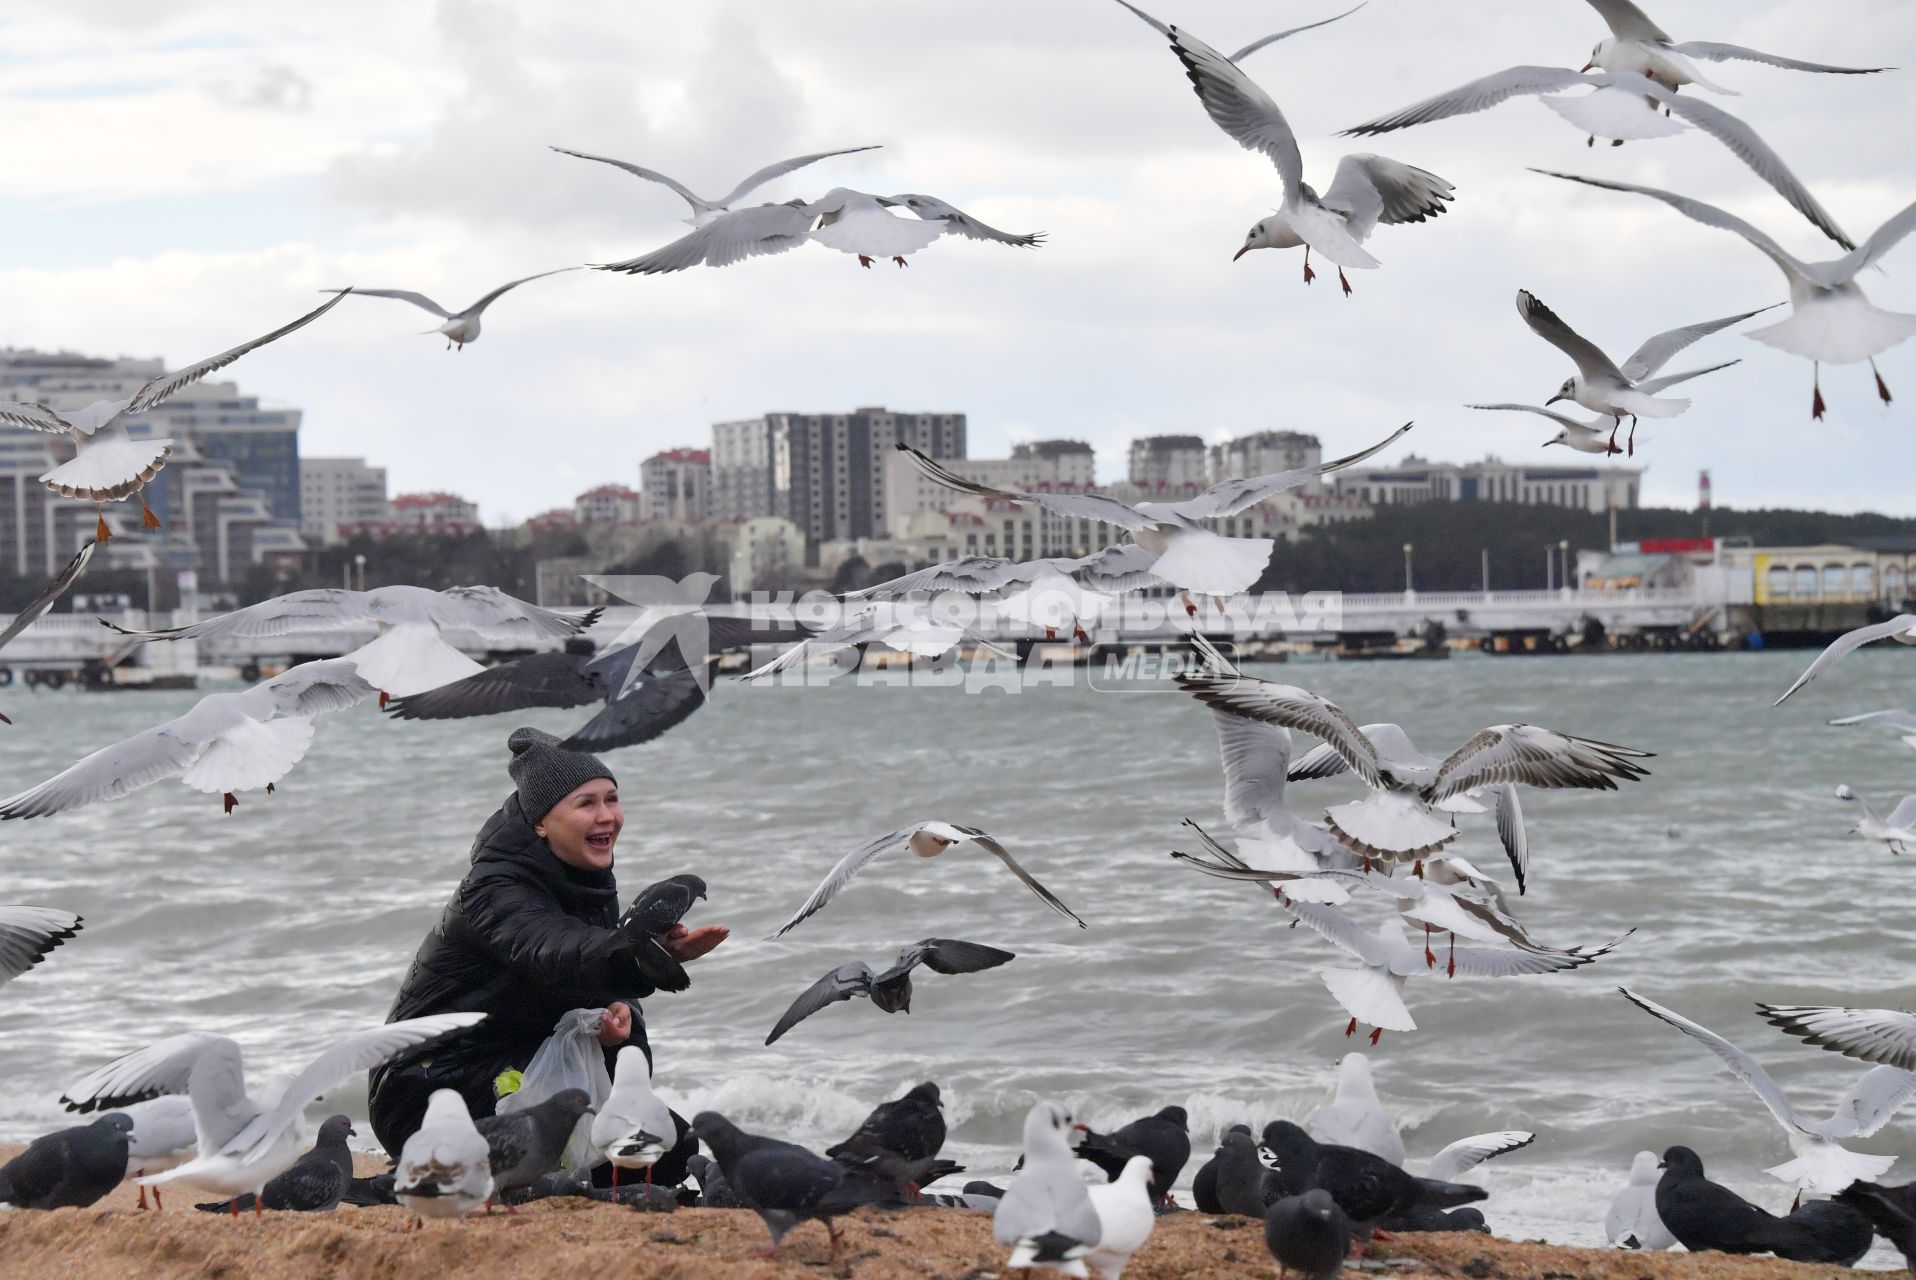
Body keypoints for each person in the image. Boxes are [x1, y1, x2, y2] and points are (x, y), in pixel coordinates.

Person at [368, 727, 727, 1177]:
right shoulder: (493, 890)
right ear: (540, 821)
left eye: (611, 799)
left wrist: (615, 1030)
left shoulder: (584, 880)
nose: (607, 817)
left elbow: (593, 983)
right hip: (426, 1091)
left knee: (670, 1153)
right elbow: (559, 951)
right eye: (586, 803)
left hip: (520, 1067)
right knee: (633, 1165)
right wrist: (642, 957)